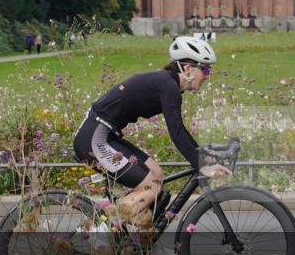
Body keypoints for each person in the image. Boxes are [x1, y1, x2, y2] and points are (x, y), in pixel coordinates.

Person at [73, 36, 231, 229]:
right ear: (188, 68)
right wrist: (200, 164)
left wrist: (203, 158)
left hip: (108, 135)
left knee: (157, 174)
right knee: (150, 187)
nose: (207, 75)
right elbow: (176, 131)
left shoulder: (168, 84)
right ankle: (102, 231)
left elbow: (180, 128)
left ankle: (133, 237)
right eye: (205, 69)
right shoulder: (168, 86)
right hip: (93, 138)